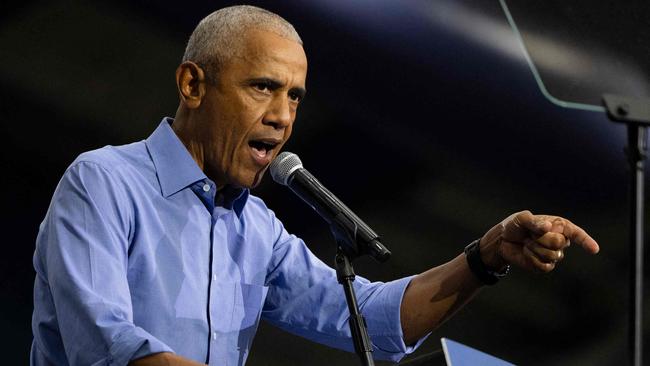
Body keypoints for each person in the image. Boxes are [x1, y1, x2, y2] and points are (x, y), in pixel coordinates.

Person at [30, 5, 599, 366]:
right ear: (193, 84)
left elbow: (374, 323)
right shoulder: (103, 182)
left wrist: (483, 257)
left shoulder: (255, 229)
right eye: (262, 88)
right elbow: (104, 344)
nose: (283, 116)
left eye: (295, 96)